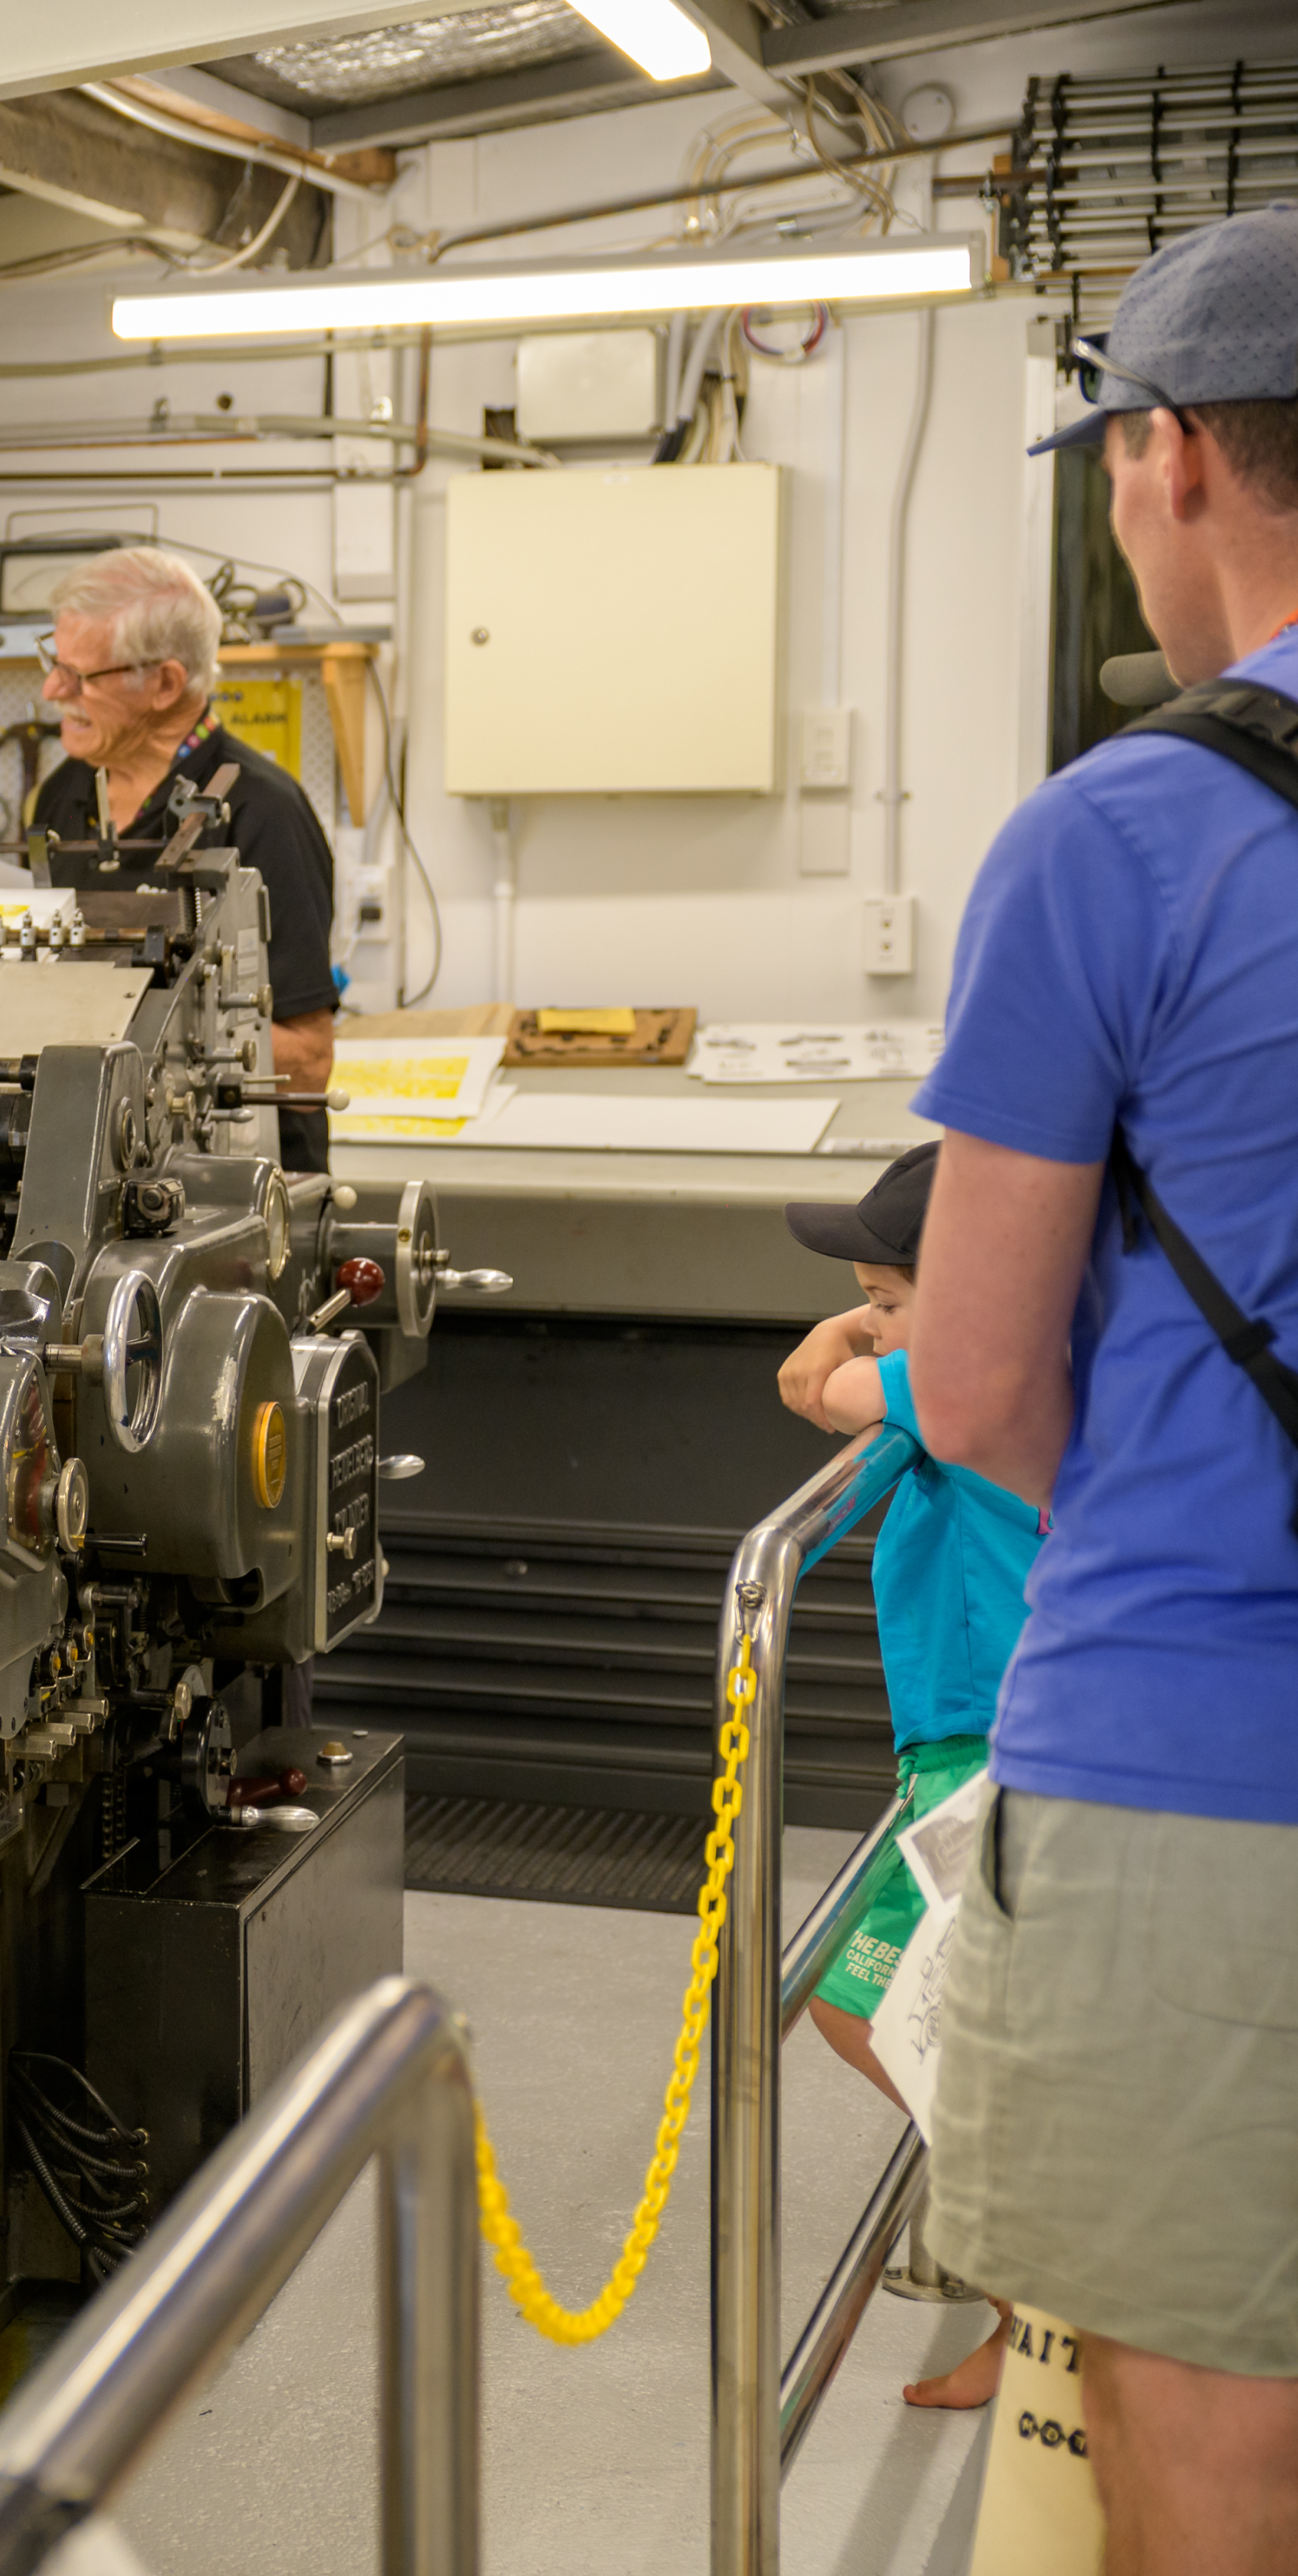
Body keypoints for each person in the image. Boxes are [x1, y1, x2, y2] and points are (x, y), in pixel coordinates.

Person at [904, 200, 1298, 2570]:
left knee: (1215, 2468)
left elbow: (967, 1379)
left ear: (1164, 457)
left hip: (1192, 1759)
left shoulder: (1117, 834)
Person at [772, 1141, 1039, 2411]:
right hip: (1000, 1737)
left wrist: (861, 1338)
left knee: (856, 2004)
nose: (869, 1320)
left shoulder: (963, 1374)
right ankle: (1036, 2299)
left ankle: (1048, 2297)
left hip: (980, 1752)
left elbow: (806, 1382)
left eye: (885, 1292)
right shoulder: (1028, 1358)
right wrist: (884, 1311)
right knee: (963, 2029)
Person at [24, 546, 343, 1173]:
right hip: (97, 1165)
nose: (52, 689)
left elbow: (308, 1060)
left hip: (234, 1181)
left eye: (80, 675)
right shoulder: (63, 795)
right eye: (53, 663)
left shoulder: (262, 811)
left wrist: (126, 1041)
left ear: (166, 682)